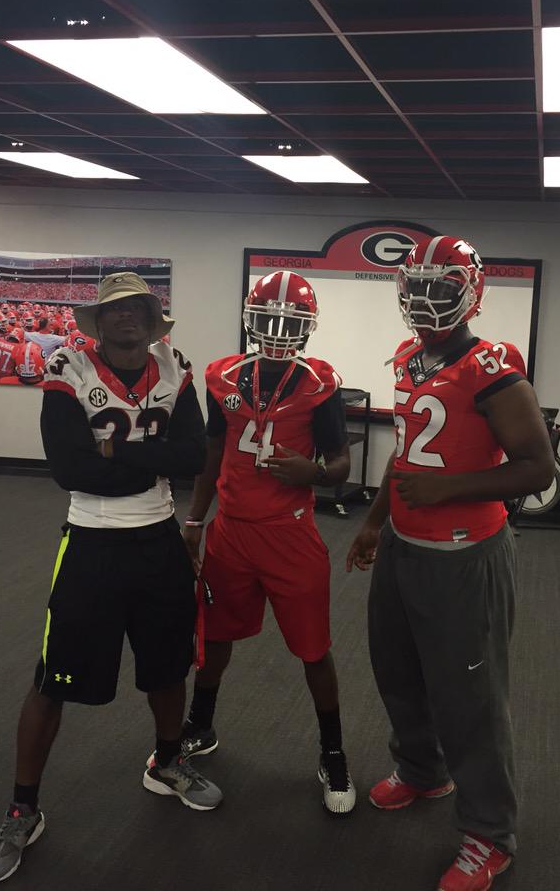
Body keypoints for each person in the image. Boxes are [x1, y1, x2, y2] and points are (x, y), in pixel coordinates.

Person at [0, 273, 222, 884]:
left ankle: (167, 761)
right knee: (52, 679)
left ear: (152, 317)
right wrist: (148, 463)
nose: (127, 317)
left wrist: (117, 454)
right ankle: (22, 808)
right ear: (99, 320)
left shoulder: (175, 368)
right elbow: (70, 469)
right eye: (115, 309)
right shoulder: (69, 368)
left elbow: (194, 456)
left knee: (168, 667)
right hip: (91, 541)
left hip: (159, 539)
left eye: (137, 307)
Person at [347, 236, 554, 891]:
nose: (427, 301)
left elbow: (538, 469)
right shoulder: (411, 357)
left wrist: (449, 489)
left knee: (471, 699)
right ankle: (422, 771)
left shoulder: (490, 364)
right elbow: (406, 452)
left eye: (442, 288)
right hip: (404, 545)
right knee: (398, 672)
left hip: (466, 555)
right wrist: (374, 522)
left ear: (470, 293)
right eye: (418, 287)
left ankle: (490, 835)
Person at [182, 270, 356, 814]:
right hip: (231, 531)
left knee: (314, 649)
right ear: (249, 319)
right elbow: (213, 453)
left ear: (308, 327)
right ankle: (201, 725)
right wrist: (195, 520)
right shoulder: (223, 377)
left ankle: (333, 752)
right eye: (268, 319)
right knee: (215, 636)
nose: (278, 331)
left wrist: (315, 472)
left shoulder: (320, 383)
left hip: (289, 533)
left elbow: (342, 463)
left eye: (289, 321)